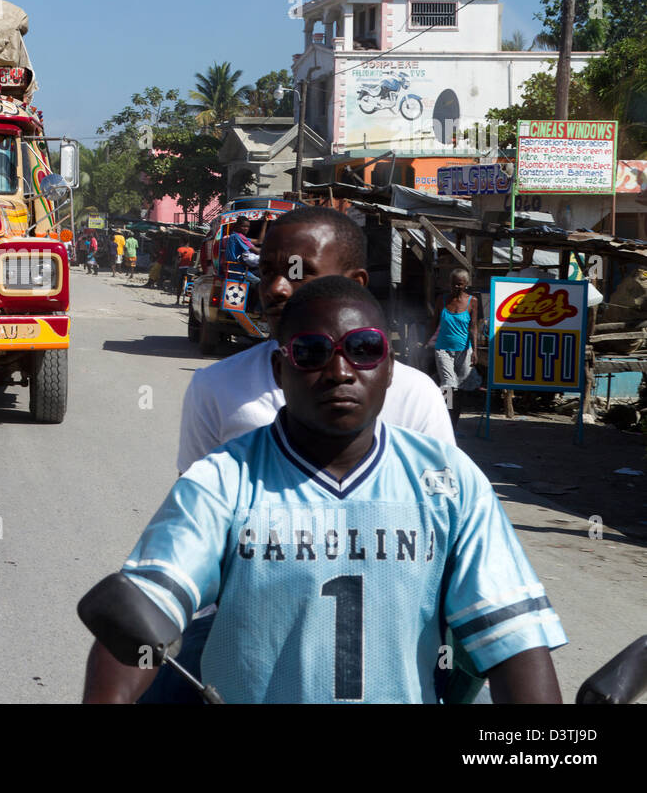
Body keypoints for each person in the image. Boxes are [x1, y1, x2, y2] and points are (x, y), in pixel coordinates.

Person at [84, 277, 565, 703]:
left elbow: (513, 639)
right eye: (312, 353)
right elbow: (145, 610)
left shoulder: (449, 482)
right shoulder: (221, 481)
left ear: (390, 368)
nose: (339, 371)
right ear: (279, 370)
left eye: (364, 349)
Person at [131, 206, 454, 702]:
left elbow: (442, 532)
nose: (277, 288)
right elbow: (193, 527)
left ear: (355, 283)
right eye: (267, 272)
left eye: (298, 272)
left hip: (390, 627)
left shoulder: (413, 395)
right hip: (241, 622)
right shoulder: (217, 386)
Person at [425, 267, 481, 428]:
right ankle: (443, 418)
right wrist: (425, 342)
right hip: (443, 349)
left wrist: (475, 351)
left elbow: (473, 327)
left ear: (466, 285)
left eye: (460, 284)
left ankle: (453, 422)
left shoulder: (472, 302)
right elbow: (434, 322)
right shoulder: (442, 300)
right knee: (448, 385)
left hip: (464, 350)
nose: (456, 287)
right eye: (454, 284)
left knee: (460, 388)